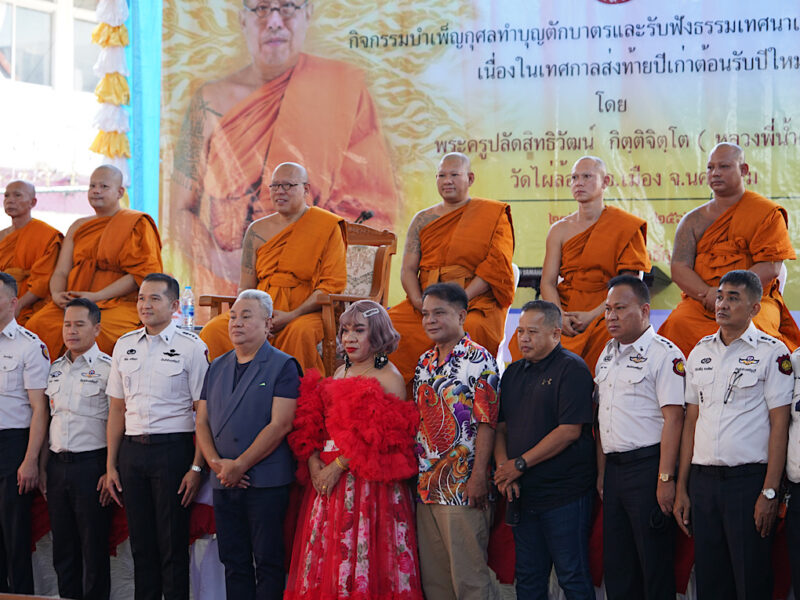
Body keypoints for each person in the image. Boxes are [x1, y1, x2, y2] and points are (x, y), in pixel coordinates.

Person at [168, 0, 397, 293]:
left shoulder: (343, 92)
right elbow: (180, 209)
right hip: (231, 285)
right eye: (262, 8)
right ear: (243, 19)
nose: (274, 21)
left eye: (287, 7)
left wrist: (304, 263)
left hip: (311, 282)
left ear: (308, 13)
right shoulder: (209, 101)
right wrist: (225, 263)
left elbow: (373, 209)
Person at [286, 299, 423, 599]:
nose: (349, 338)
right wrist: (314, 465)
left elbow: (384, 438)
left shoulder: (390, 378)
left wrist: (337, 467)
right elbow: (321, 425)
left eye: (359, 330)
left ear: (379, 335)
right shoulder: (339, 372)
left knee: (365, 556)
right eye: (345, 330)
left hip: (368, 486)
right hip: (329, 482)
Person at [673, 269, 791, 599]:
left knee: (751, 578)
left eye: (733, 298)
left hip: (747, 482)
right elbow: (690, 424)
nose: (722, 304)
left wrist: (769, 492)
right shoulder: (700, 352)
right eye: (721, 296)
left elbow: (779, 427)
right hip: (703, 482)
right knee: (712, 581)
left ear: (755, 307)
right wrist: (682, 487)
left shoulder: (773, 353)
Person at [105, 273, 208, 600]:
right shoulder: (124, 345)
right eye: (141, 298)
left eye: (154, 299)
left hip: (172, 452)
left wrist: (196, 467)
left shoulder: (192, 347)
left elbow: (202, 413)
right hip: (132, 454)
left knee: (171, 546)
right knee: (141, 546)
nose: (145, 305)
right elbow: (116, 411)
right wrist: (111, 465)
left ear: (175, 305)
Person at [195, 289, 299, 599]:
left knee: (267, 561)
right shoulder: (216, 366)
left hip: (263, 479)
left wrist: (240, 465)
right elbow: (201, 421)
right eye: (233, 316)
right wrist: (217, 465)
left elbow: (281, 423)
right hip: (224, 478)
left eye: (246, 316)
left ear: (268, 324)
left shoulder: (283, 365)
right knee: (233, 560)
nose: (236, 322)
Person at [509, 155, 650, 372]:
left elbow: (630, 286)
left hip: (607, 308)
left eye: (587, 176)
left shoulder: (624, 226)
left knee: (608, 335)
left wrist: (593, 315)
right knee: (526, 340)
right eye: (574, 178)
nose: (579, 183)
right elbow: (547, 282)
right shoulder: (559, 230)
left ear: (605, 182)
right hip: (566, 307)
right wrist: (558, 317)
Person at [199, 162, 346, 370]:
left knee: (299, 333)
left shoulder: (326, 226)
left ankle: (294, 399)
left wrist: (291, 315)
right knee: (214, 330)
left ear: (306, 189)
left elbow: (331, 286)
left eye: (288, 185)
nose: (279, 192)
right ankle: (221, 396)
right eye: (275, 186)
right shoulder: (256, 230)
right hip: (260, 310)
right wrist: (255, 317)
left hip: (305, 312)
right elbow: (246, 288)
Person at [659, 142, 800, 357]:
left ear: (743, 170)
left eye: (724, 166)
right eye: (710, 167)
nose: (715, 173)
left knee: (758, 330)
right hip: (703, 302)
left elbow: (771, 266)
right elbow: (679, 267)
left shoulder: (766, 213)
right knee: (677, 325)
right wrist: (708, 294)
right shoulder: (692, 221)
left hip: (753, 301)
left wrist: (729, 294)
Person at [494, 300, 595, 599]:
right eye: (521, 331)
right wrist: (504, 470)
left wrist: (520, 464)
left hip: (564, 493)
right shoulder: (512, 373)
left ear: (556, 333)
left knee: (572, 574)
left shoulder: (572, 369)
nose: (523, 338)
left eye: (532, 332)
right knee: (527, 576)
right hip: (523, 493)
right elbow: (501, 427)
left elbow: (569, 431)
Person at [594, 276, 685, 600]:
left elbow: (674, 419)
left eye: (620, 308)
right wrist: (603, 472)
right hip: (616, 472)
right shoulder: (607, 353)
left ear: (645, 310)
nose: (611, 316)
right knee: (618, 566)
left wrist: (665, 478)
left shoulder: (664, 355)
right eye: (607, 309)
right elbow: (603, 416)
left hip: (649, 469)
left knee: (654, 564)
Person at [389, 152, 515, 384]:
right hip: (425, 300)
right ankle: (405, 406)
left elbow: (493, 270)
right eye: (441, 175)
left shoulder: (492, 214)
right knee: (389, 327)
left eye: (454, 175)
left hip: (473, 300)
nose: (447, 180)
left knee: (473, 326)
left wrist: (457, 301)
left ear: (470, 178)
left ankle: (467, 403)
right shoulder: (422, 219)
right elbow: (408, 270)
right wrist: (421, 304)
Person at [413, 282, 501, 600]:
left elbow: (487, 423)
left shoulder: (479, 360)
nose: (430, 320)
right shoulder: (424, 363)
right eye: (425, 314)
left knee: (469, 579)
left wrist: (479, 477)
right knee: (435, 582)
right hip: (427, 486)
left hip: (463, 488)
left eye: (439, 312)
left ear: (462, 314)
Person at [26, 165, 163, 359]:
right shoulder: (79, 226)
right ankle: (49, 386)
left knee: (101, 332)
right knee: (37, 325)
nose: (96, 191)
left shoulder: (135, 224)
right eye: (92, 186)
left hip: (117, 303)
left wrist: (97, 296)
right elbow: (61, 271)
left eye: (104, 186)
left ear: (119, 192)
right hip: (75, 301)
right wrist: (57, 294)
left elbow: (140, 275)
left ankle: (98, 386)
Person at [42, 297, 113, 600]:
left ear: (96, 328)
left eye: (79, 324)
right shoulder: (55, 369)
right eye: (67, 324)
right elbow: (49, 421)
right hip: (58, 467)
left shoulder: (109, 369)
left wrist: (111, 470)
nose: (71, 331)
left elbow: (117, 424)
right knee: (63, 550)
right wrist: (44, 467)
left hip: (91, 467)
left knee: (93, 550)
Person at [0, 271, 49, 593]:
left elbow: (40, 409)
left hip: (12, 445)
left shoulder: (30, 346)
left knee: (14, 536)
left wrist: (31, 460)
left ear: (14, 302)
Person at [0, 180, 63, 324]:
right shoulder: (2, 236)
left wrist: (18, 305)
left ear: (33, 202)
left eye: (17, 195)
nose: (10, 201)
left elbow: (42, 281)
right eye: (7, 196)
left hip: (29, 302)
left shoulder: (46, 235)